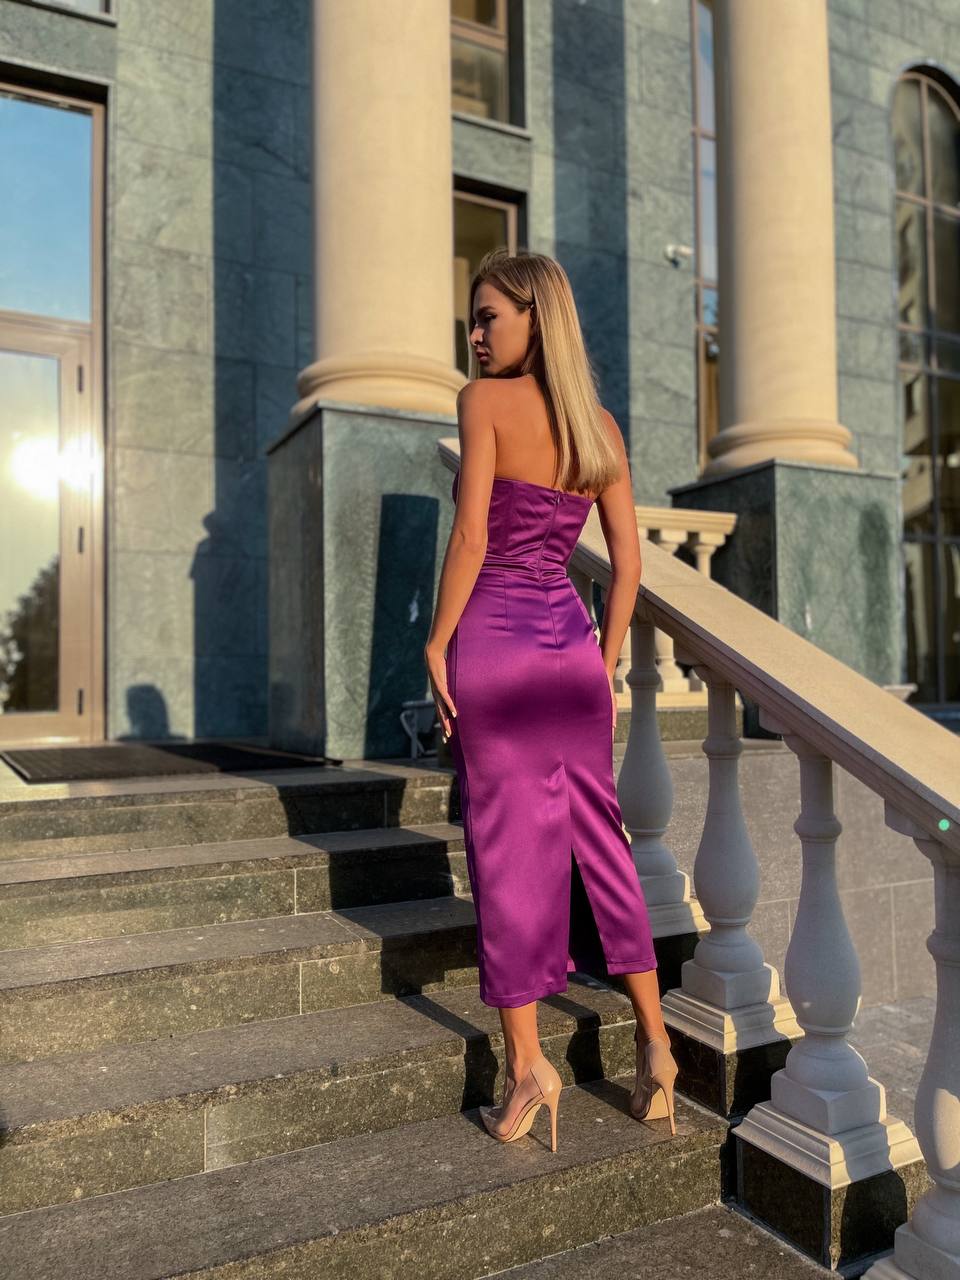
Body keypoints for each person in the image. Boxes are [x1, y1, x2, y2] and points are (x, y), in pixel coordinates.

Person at [424, 249, 678, 1153]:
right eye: (473, 319)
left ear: (536, 316)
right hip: (570, 650)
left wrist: (435, 641)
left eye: (489, 315)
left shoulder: (483, 403)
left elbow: (470, 536)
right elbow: (628, 566)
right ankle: (657, 1047)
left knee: (509, 851)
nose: (476, 333)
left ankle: (529, 1066)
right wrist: (601, 661)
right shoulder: (598, 426)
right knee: (601, 843)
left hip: (495, 641)